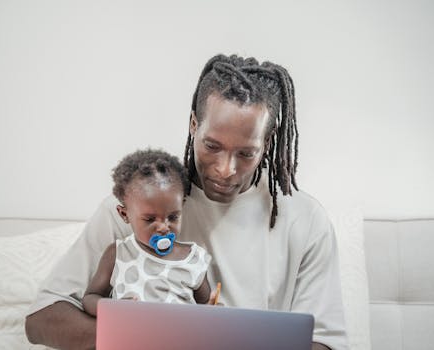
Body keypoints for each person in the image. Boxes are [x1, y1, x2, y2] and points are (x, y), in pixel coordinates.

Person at [25, 54, 347, 350]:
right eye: (212, 146)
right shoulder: (136, 207)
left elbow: (324, 342)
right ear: (194, 125)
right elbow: (41, 319)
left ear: (269, 140)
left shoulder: (305, 221)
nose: (226, 169)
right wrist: (139, 337)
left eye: (246, 153)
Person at [81, 148, 213, 317]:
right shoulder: (118, 254)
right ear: (125, 214)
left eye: (172, 217)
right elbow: (90, 298)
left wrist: (213, 309)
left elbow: (207, 308)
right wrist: (112, 308)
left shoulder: (194, 258)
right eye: (150, 219)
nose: (164, 227)